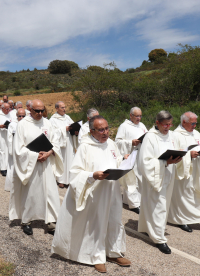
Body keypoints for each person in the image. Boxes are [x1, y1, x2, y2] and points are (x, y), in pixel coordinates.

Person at [51, 115, 133, 274]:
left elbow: (114, 163)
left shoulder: (111, 144)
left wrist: (124, 160)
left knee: (114, 221)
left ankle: (113, 252)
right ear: (91, 131)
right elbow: (75, 173)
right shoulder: (85, 147)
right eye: (101, 130)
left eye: (107, 128)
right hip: (94, 193)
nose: (105, 132)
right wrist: (92, 175)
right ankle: (96, 256)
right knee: (96, 224)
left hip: (112, 190)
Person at [10, 99, 64, 235]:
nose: (40, 113)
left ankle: (52, 221)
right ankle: (26, 221)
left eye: (42, 110)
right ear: (30, 110)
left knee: (50, 193)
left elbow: (55, 142)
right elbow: (18, 148)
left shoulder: (48, 123)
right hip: (30, 165)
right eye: (37, 111)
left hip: (45, 164)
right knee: (31, 193)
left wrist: (49, 153)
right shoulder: (22, 125)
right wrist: (34, 155)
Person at [137, 110, 187, 254]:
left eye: (170, 124)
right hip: (155, 175)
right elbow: (144, 162)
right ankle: (159, 239)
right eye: (165, 125)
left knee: (161, 204)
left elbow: (177, 148)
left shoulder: (171, 135)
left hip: (168, 174)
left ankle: (148, 228)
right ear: (157, 123)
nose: (168, 127)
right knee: (158, 205)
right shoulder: (150, 137)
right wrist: (165, 162)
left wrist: (179, 155)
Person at [115, 107, 148, 214]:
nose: (139, 118)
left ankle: (131, 199)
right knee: (131, 179)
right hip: (131, 155)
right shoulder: (124, 126)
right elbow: (118, 141)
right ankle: (134, 204)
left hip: (141, 156)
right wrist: (130, 143)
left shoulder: (142, 125)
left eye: (140, 116)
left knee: (140, 179)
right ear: (131, 116)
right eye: (137, 116)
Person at [49, 101, 77, 188]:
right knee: (61, 160)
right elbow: (52, 132)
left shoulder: (67, 117)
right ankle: (60, 180)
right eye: (62, 107)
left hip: (69, 142)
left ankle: (69, 180)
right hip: (60, 144)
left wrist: (75, 129)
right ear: (57, 108)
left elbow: (72, 125)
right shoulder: (53, 120)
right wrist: (64, 129)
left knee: (70, 160)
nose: (64, 109)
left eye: (65, 107)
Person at [4, 108, 26, 191]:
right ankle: (11, 186)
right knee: (12, 167)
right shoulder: (12, 124)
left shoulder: (26, 124)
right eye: (19, 116)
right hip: (14, 149)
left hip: (23, 149)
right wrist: (11, 150)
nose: (21, 117)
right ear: (16, 116)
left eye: (23, 116)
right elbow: (9, 138)